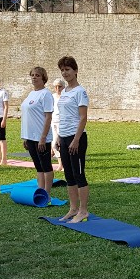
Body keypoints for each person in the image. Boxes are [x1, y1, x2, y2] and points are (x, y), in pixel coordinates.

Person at [56, 56, 89, 223]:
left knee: (79, 174)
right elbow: (63, 116)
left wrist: (76, 140)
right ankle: (73, 208)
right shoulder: (64, 92)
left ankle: (83, 210)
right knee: (69, 175)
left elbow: (83, 118)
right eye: (62, 70)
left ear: (75, 71)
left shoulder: (80, 92)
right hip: (63, 137)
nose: (65, 73)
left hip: (77, 138)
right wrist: (58, 137)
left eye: (67, 69)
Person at [21, 67, 54, 197]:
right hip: (30, 136)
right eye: (33, 75)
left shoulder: (46, 94)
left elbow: (48, 117)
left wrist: (43, 138)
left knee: (46, 166)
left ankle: (47, 193)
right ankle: (41, 191)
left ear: (43, 78)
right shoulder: (31, 94)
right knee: (38, 166)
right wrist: (26, 137)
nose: (34, 77)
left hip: (41, 137)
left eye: (37, 75)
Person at [51, 78, 65, 171]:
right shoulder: (52, 97)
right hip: (53, 122)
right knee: (54, 145)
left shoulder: (65, 97)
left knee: (61, 144)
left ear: (63, 87)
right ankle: (60, 164)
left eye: (59, 86)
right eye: (55, 87)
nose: (57, 88)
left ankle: (64, 164)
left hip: (62, 123)